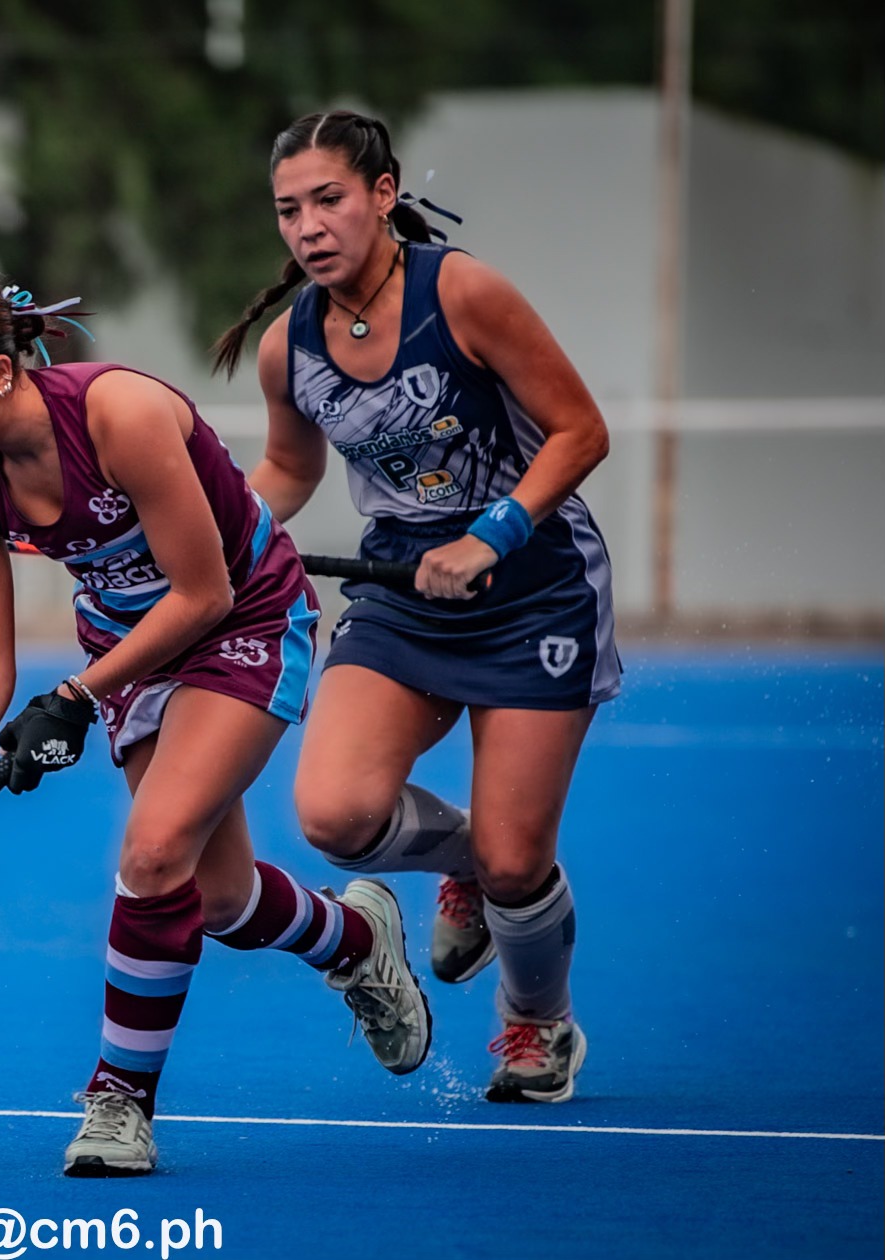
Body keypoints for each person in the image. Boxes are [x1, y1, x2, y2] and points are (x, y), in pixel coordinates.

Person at [0, 265, 434, 1177]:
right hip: (129, 648)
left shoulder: (119, 415)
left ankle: (119, 1101)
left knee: (153, 853)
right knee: (217, 898)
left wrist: (75, 698)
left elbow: (204, 593)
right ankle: (354, 939)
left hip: (242, 619)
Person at [212, 110, 620, 1104]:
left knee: (523, 863)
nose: (307, 227)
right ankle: (472, 868)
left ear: (383, 195)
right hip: (402, 594)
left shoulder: (464, 294)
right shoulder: (289, 347)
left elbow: (579, 432)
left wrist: (493, 535)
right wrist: (205, 535)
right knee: (336, 817)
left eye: (328, 200)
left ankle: (537, 1026)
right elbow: (286, 470)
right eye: (287, 211)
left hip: (535, 590)